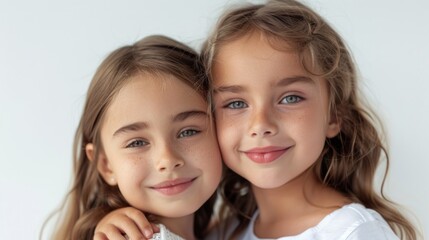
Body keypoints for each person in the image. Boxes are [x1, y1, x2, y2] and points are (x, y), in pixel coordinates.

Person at [94, 0, 419, 239]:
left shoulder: (352, 233)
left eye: (290, 98)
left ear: (334, 115)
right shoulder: (227, 232)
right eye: (236, 103)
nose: (261, 123)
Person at [43, 35, 223, 240]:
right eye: (137, 143)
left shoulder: (226, 229)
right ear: (105, 164)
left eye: (188, 132)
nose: (168, 160)